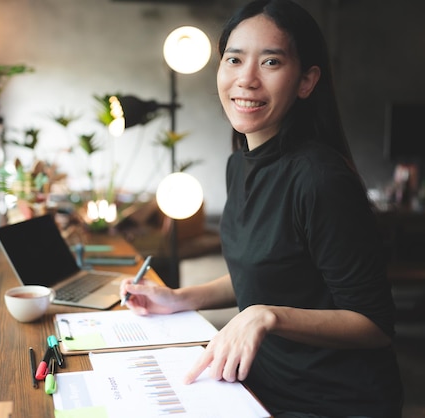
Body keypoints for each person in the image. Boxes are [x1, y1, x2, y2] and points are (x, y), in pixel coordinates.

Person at [119, 0, 403, 416]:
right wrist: (180, 298)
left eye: (270, 62)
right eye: (234, 59)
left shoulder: (320, 180)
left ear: (306, 81)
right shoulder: (240, 164)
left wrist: (268, 316)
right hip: (258, 384)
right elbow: (269, 270)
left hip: (332, 402)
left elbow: (375, 325)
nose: (246, 79)